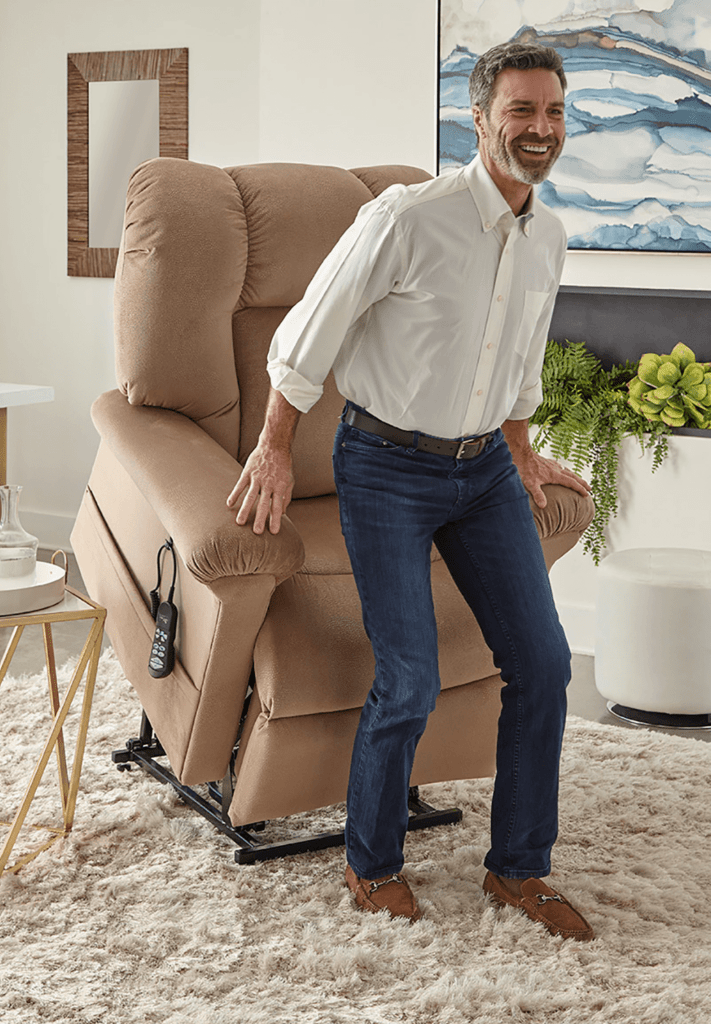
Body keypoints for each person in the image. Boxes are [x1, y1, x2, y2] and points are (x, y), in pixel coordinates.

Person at [227, 41, 595, 941]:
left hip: (482, 473)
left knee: (544, 663)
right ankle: (372, 860)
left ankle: (519, 869)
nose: (540, 129)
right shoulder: (408, 216)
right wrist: (276, 445)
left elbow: (518, 354)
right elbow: (312, 328)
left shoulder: (546, 234)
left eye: (552, 112)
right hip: (385, 465)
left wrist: (521, 444)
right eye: (521, 111)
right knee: (411, 676)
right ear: (479, 119)